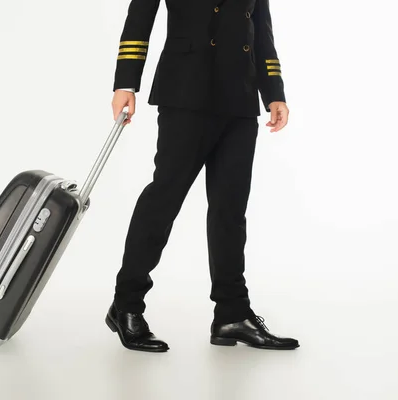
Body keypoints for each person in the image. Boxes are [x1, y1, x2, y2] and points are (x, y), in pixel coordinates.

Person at [105, 0, 299, 352]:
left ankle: (232, 315)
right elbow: (139, 21)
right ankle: (126, 305)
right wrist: (125, 83)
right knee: (164, 200)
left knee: (230, 210)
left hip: (239, 98)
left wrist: (274, 92)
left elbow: (263, 32)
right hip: (185, 92)